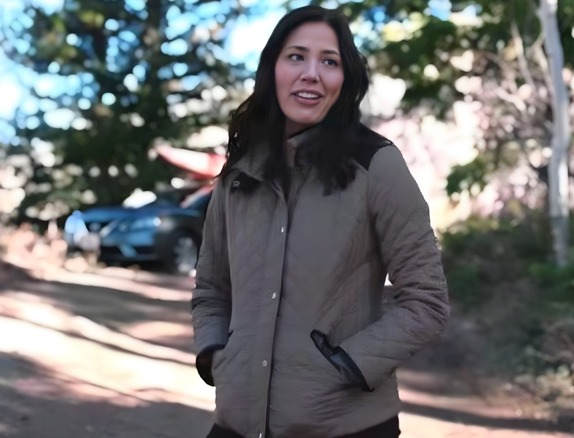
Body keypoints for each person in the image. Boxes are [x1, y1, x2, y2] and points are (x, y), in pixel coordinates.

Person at [191, 5, 449, 438]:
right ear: (272, 68)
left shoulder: (377, 166)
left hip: (345, 426)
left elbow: (426, 302)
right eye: (296, 57)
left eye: (329, 61)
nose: (311, 73)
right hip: (236, 423)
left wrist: (345, 366)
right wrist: (217, 352)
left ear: (345, 79)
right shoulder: (240, 173)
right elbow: (212, 287)